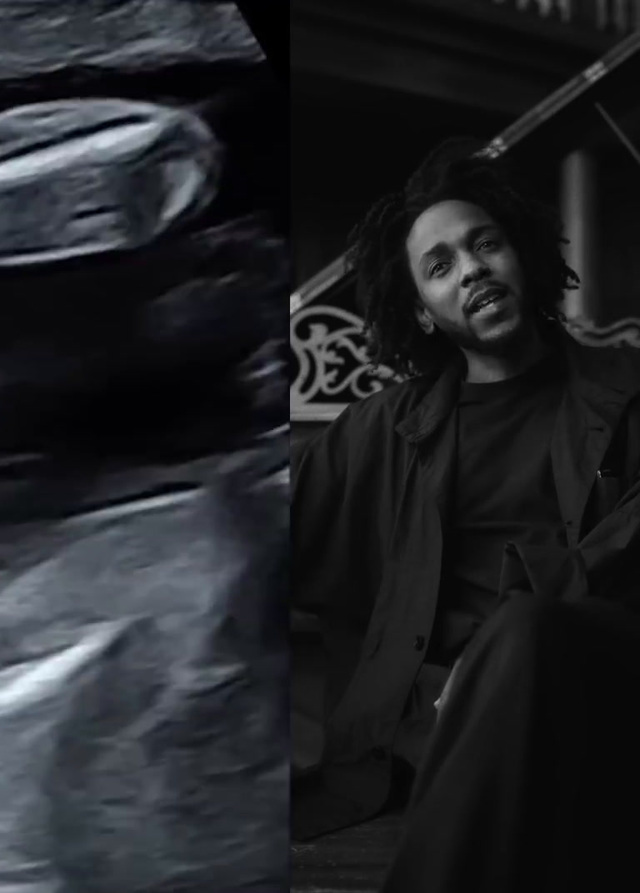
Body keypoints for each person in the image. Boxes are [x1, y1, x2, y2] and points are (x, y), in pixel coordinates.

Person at [290, 141, 640, 891]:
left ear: (522, 254)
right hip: (426, 737)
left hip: (599, 703)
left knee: (527, 627)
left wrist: (497, 659)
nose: (473, 268)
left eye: (486, 243)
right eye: (441, 265)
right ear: (421, 309)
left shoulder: (627, 391)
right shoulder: (382, 430)